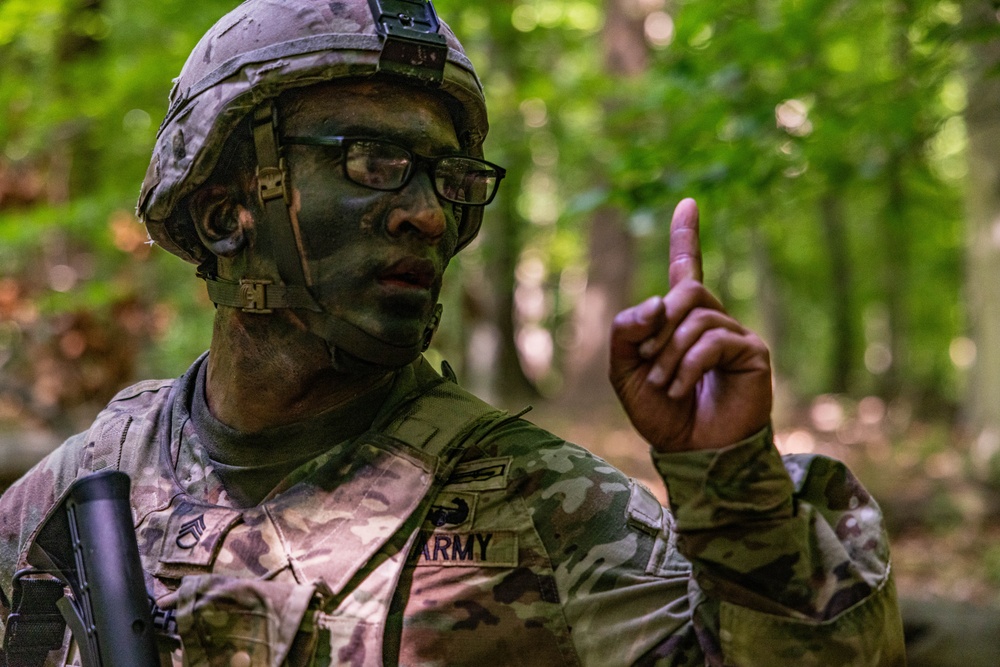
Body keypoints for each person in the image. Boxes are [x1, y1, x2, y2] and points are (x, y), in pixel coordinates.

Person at [0, 0, 905, 665]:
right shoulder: (76, 495)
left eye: (449, 179)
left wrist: (737, 501)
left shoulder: (556, 514)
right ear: (227, 206)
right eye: (376, 161)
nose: (429, 216)